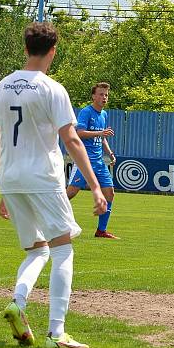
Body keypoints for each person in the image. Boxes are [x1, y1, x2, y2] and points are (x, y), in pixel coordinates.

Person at [0, 22, 107, 348]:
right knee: (63, 248)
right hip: (43, 178)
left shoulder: (2, 87)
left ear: (26, 49)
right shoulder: (52, 89)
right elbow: (71, 139)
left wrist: (2, 187)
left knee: (37, 250)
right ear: (52, 51)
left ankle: (18, 302)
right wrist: (95, 187)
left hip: (11, 179)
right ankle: (57, 332)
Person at [66, 82, 119, 239]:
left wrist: (109, 153)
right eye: (101, 94)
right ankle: (48, 217)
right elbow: (80, 133)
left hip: (99, 162)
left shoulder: (103, 115)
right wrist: (101, 132)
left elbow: (102, 137)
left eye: (106, 95)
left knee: (109, 193)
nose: (104, 97)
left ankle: (101, 230)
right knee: (71, 193)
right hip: (84, 160)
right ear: (93, 96)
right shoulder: (86, 112)